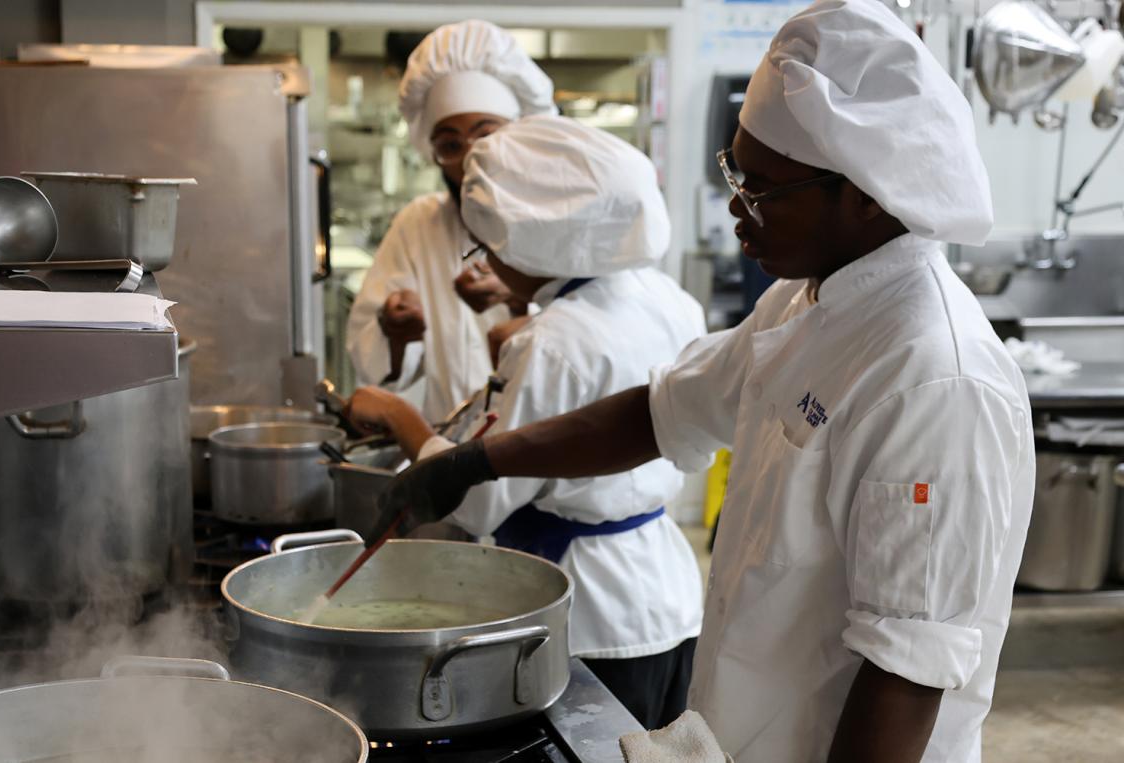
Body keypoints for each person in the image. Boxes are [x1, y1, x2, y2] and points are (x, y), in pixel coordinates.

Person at [368, 2, 1036, 760]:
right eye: (734, 173)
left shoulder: (931, 378)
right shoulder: (804, 300)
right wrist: (477, 461)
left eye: (761, 190)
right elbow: (663, 411)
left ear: (866, 195)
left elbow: (905, 677)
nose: (735, 209)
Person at [346, 115, 707, 730]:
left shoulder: (553, 343)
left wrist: (398, 414)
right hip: (667, 594)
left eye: (488, 246)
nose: (484, 261)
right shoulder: (663, 297)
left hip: (587, 613)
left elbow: (479, 500)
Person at [346, 20, 553, 424]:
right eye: (450, 145)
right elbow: (376, 366)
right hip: (449, 445)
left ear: (518, 135)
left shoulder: (557, 220)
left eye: (486, 137)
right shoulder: (419, 225)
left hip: (546, 449)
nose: (470, 159)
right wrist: (394, 330)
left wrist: (519, 295)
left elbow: (595, 335)